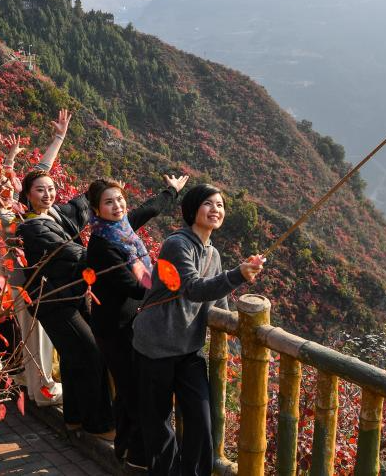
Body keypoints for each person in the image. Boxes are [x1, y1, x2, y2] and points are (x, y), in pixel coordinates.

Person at [133, 184, 264, 476]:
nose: (215, 209)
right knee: (159, 423)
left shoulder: (212, 252)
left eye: (220, 205)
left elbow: (217, 300)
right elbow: (192, 288)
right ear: (193, 208)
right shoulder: (177, 244)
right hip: (156, 345)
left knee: (201, 420)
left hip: (188, 349)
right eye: (208, 203)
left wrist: (233, 336)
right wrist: (238, 275)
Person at [16, 109, 116, 439]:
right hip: (50, 301)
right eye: (40, 190)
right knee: (90, 354)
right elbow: (74, 254)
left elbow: (85, 199)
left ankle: (73, 417)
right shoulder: (30, 226)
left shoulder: (56, 214)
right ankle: (99, 424)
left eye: (51, 189)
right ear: (26, 195)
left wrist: (114, 196)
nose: (47, 193)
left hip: (68, 296)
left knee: (75, 358)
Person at [85, 174, 188, 470]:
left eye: (119, 199)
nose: (117, 206)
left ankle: (125, 448)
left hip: (131, 324)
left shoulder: (122, 228)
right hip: (114, 329)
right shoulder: (102, 246)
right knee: (135, 393)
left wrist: (172, 190)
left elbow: (151, 208)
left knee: (131, 390)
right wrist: (176, 287)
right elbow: (133, 287)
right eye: (108, 202)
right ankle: (138, 458)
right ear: (96, 209)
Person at [0, 128, 65, 406]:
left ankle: (31, 383)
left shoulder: (14, 204)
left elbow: (39, 173)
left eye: (7, 183)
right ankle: (44, 392)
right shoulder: (2, 214)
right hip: (26, 283)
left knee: (34, 336)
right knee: (36, 336)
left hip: (32, 280)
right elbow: (22, 182)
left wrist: (58, 139)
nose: (4, 187)